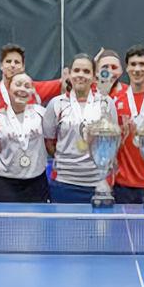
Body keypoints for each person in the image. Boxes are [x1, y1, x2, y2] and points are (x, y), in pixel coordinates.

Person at [44, 53, 118, 203]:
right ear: (69, 74)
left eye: (86, 71)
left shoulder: (106, 102)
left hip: (98, 182)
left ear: (94, 76)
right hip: (64, 182)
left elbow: (113, 140)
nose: (81, 75)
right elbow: (49, 143)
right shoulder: (56, 104)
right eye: (76, 70)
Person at [112, 45, 144, 204]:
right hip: (123, 183)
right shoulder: (115, 100)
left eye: (142, 64)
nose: (137, 69)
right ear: (126, 68)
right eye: (133, 64)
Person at [0, 73, 50, 202]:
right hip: (4, 183)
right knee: (4, 223)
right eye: (18, 85)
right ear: (8, 89)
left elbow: (53, 137)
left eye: (27, 86)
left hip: (36, 182)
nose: (22, 89)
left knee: (37, 222)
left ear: (32, 91)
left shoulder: (42, 113)